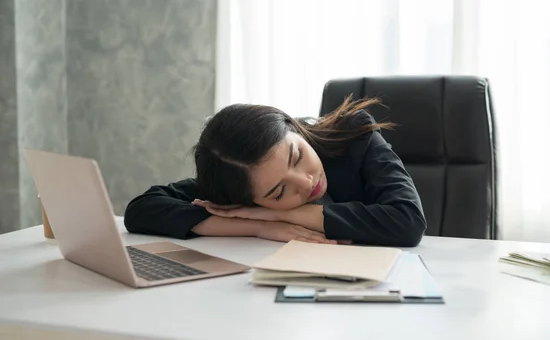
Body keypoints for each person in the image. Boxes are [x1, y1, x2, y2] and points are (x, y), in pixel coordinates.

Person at [124, 97, 426, 247]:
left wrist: (284, 213)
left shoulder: (355, 133)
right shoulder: (238, 179)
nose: (306, 182)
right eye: (278, 193)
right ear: (247, 200)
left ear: (293, 128)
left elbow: (407, 222)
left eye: (297, 156)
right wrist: (257, 228)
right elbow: (142, 210)